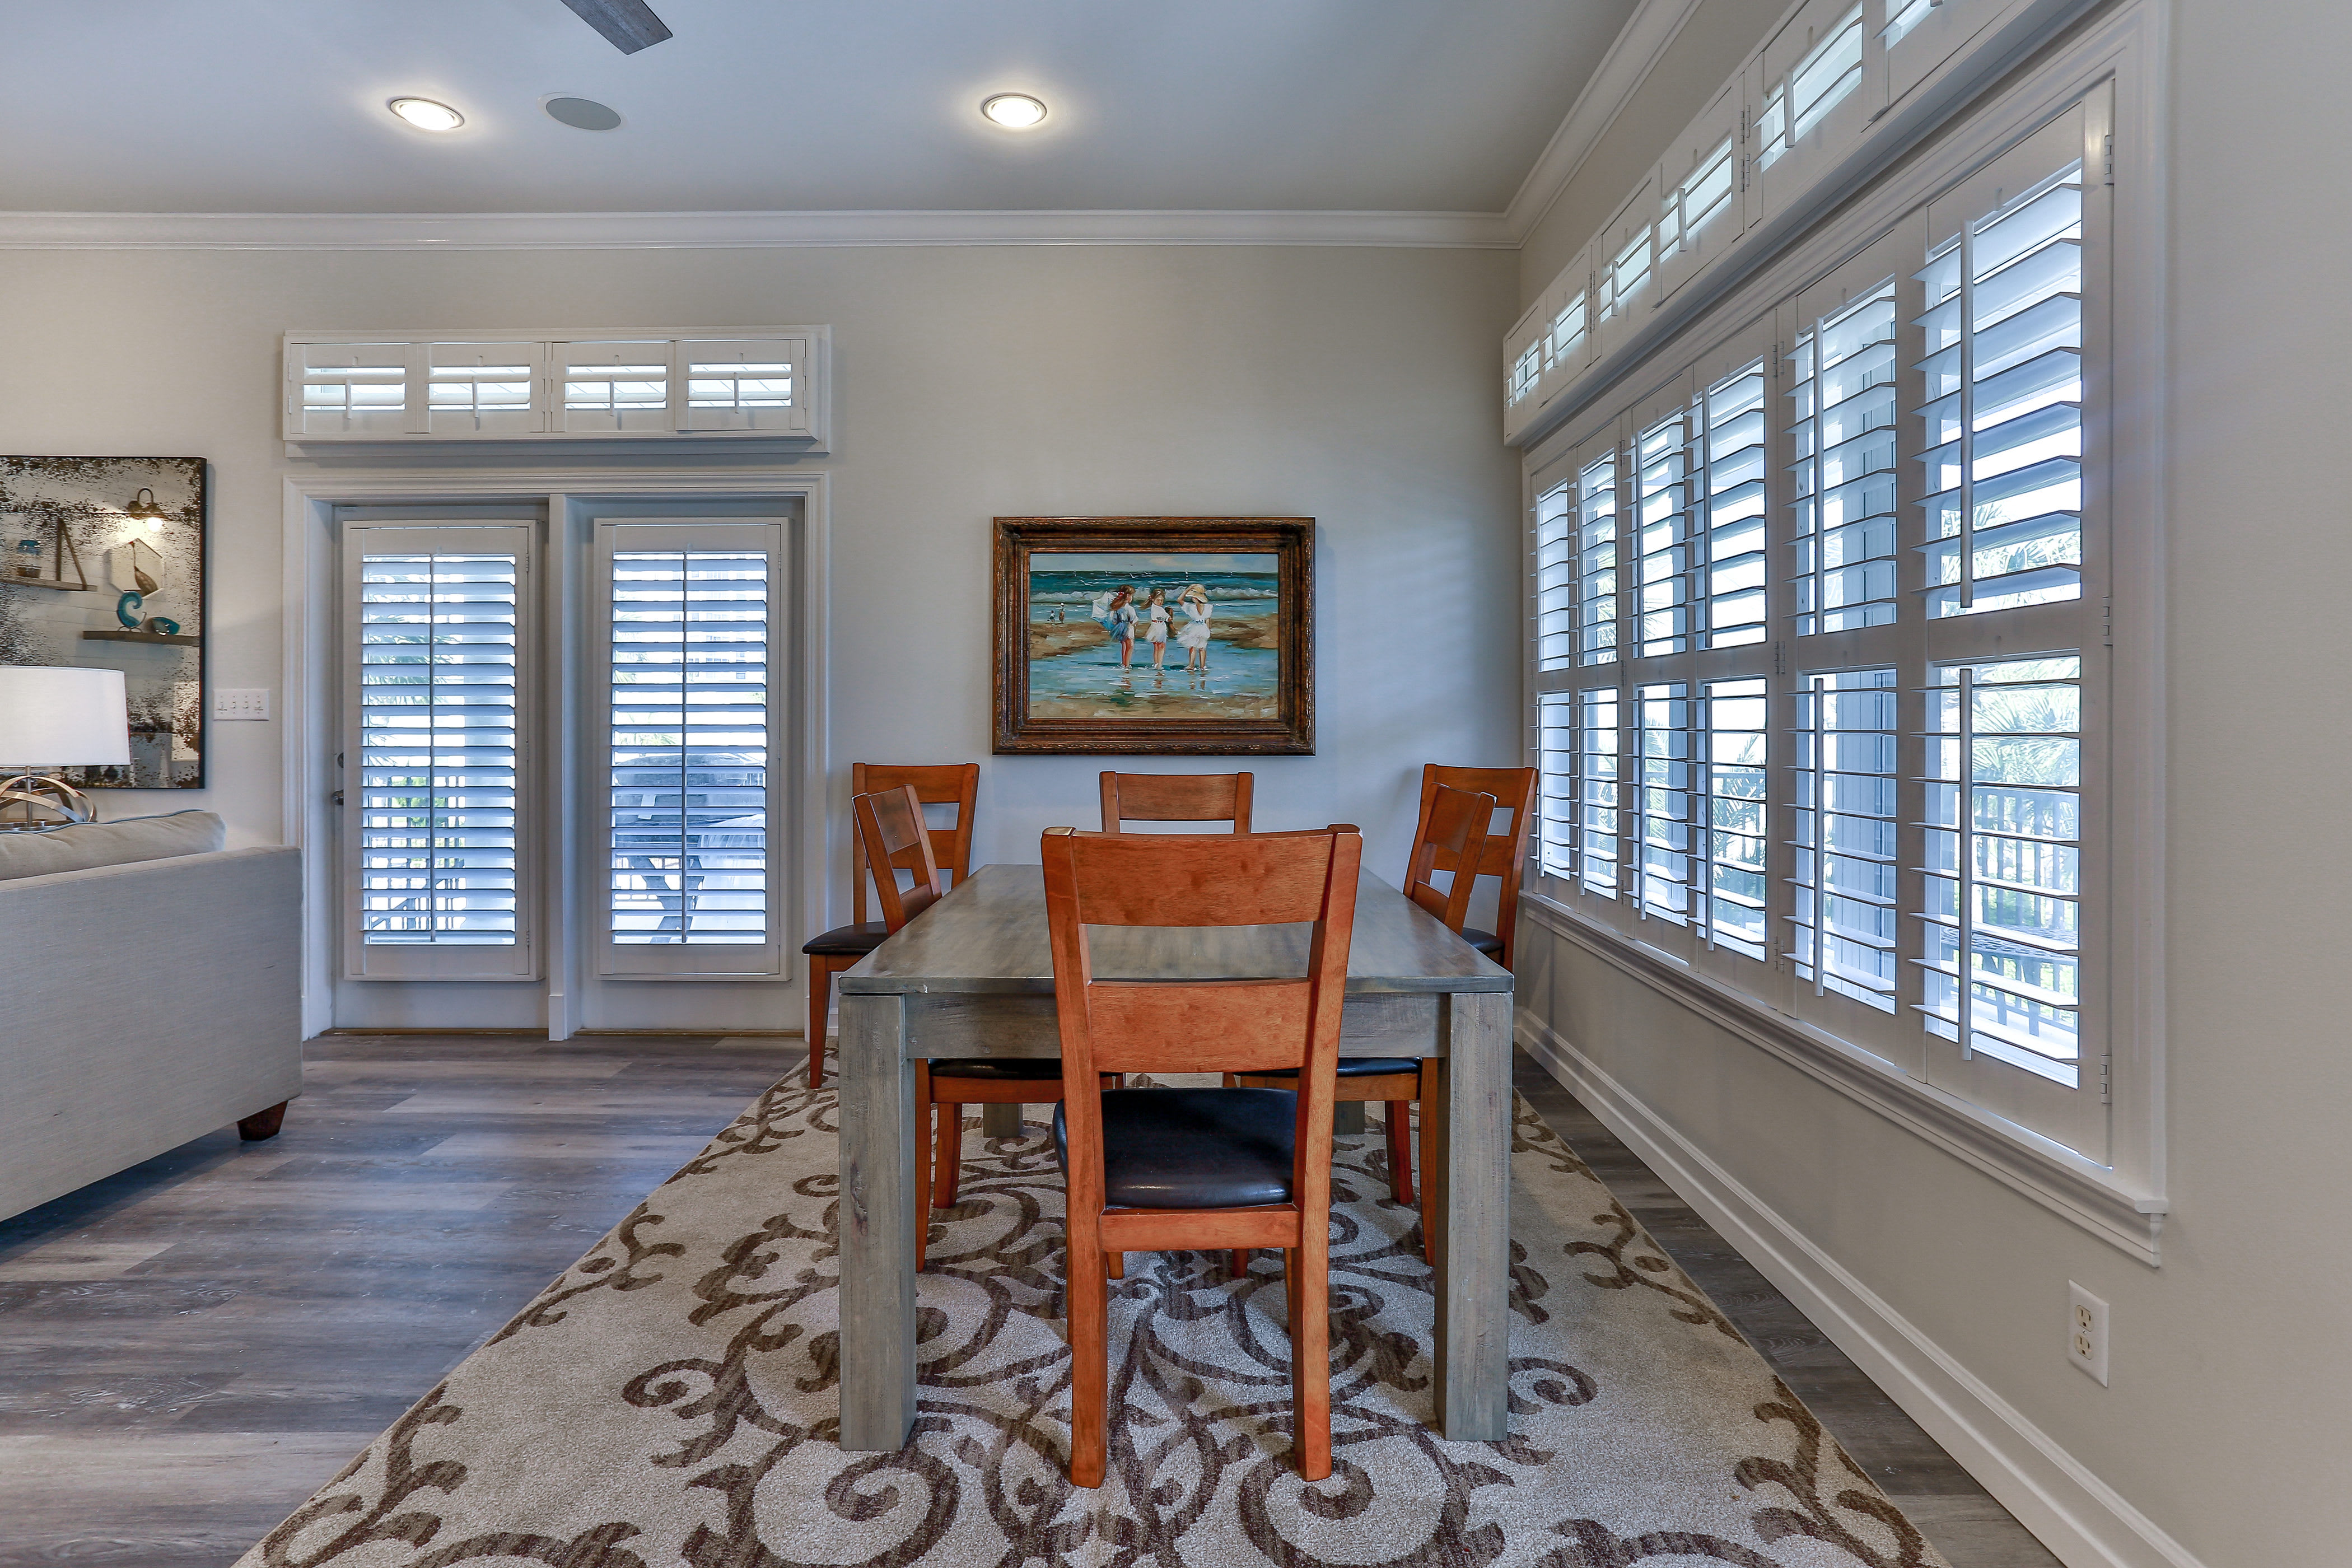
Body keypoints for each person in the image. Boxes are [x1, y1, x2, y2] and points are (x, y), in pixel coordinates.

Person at [1098, 585, 1137, 669]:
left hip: (1120, 628)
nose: (1132, 598)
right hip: (1128, 627)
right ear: (1128, 596)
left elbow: (1114, 620)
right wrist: (1135, 624)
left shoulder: (1118, 608)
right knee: (1130, 646)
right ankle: (1127, 665)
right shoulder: (1130, 608)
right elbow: (1134, 620)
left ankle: (1124, 663)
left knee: (1124, 646)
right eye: (1131, 596)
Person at [1177, 584, 1213, 673]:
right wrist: (1187, 589)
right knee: (1193, 647)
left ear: (1196, 598)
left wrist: (1208, 631)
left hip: (1202, 628)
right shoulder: (1191, 607)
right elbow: (1179, 600)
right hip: (1194, 627)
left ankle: (1202, 666)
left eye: (1193, 597)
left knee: (1202, 648)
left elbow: (1208, 620)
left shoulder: (1208, 607)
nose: (1192, 599)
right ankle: (1191, 665)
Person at [1143, 586, 1172, 669]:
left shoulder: (1157, 607)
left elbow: (1164, 616)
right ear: (1153, 599)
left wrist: (1167, 617)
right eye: (1158, 600)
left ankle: (1157, 663)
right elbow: (1162, 617)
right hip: (1158, 627)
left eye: (1162, 600)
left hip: (1158, 626)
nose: (1160, 602)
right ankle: (1159, 664)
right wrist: (1168, 618)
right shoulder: (1157, 608)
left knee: (1157, 646)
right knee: (1161, 646)